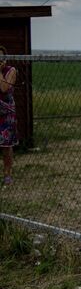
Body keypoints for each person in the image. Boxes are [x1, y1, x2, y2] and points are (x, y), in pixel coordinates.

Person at [0, 46, 18, 185]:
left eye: (1, 57)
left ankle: (7, 174)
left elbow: (4, 88)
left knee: (6, 145)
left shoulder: (11, 71)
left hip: (6, 112)